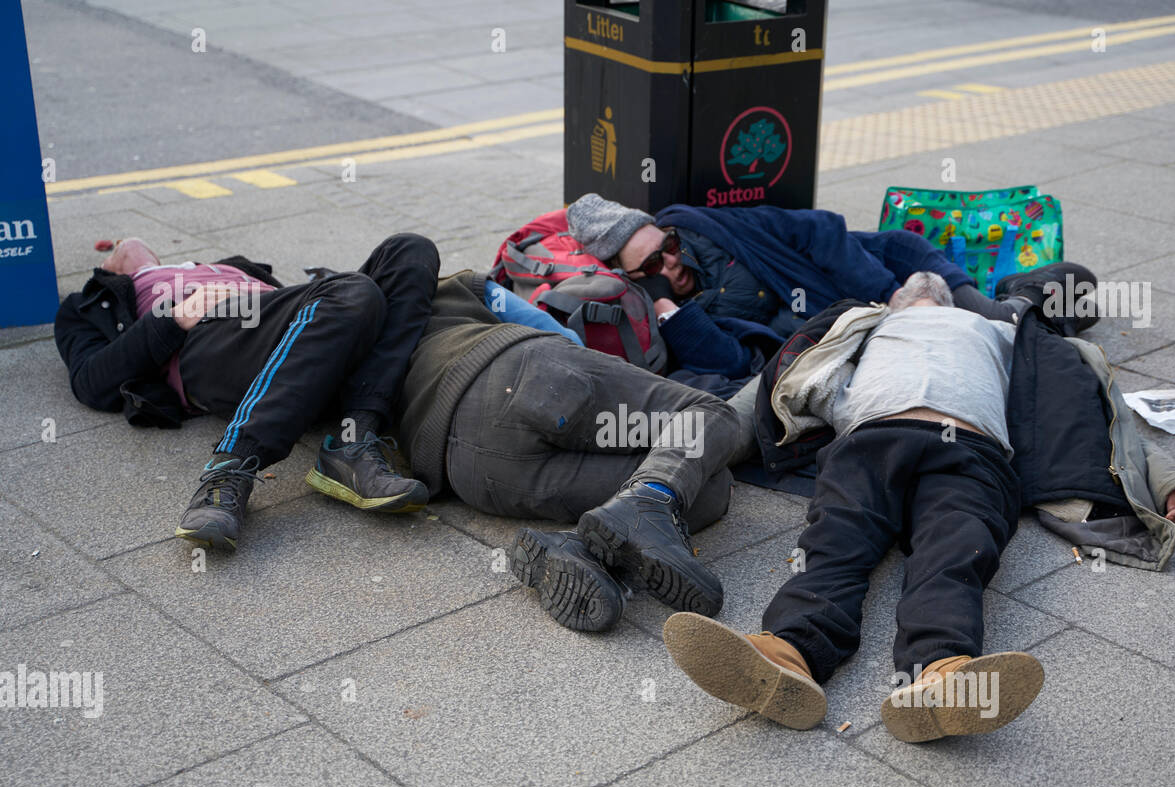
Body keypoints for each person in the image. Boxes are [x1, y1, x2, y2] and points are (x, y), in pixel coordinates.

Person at [662, 271, 1175, 743]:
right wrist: (679, 462)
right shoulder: (861, 323)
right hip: (871, 440)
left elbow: (1081, 411)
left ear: (952, 301)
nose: (919, 288)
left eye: (931, 288)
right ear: (893, 298)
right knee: (834, 541)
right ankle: (787, 655)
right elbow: (760, 392)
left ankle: (941, 673)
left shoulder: (1001, 330)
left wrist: (1163, 477)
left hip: (972, 452)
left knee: (956, 551)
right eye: (907, 287)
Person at [397, 270, 746, 632]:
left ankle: (579, 545)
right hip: (524, 379)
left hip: (469, 471)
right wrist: (595, 375)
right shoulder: (429, 287)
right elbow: (545, 325)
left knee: (709, 489)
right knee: (708, 417)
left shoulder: (355, 362)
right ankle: (646, 501)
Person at [54, 233, 439, 551]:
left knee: (410, 250)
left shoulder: (230, 267)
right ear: (111, 270)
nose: (132, 245)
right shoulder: (92, 302)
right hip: (208, 344)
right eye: (122, 250)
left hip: (294, 334)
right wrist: (173, 317)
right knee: (354, 291)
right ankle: (230, 469)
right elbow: (90, 381)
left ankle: (353, 440)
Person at [563, 192, 1063, 396]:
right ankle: (1030, 306)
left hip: (876, 277)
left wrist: (886, 293)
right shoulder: (665, 312)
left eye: (666, 246)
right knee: (1002, 346)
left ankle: (1017, 308)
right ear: (633, 277)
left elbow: (816, 230)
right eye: (652, 265)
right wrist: (670, 308)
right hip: (845, 334)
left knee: (999, 320)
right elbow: (734, 361)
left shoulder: (701, 226)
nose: (671, 261)